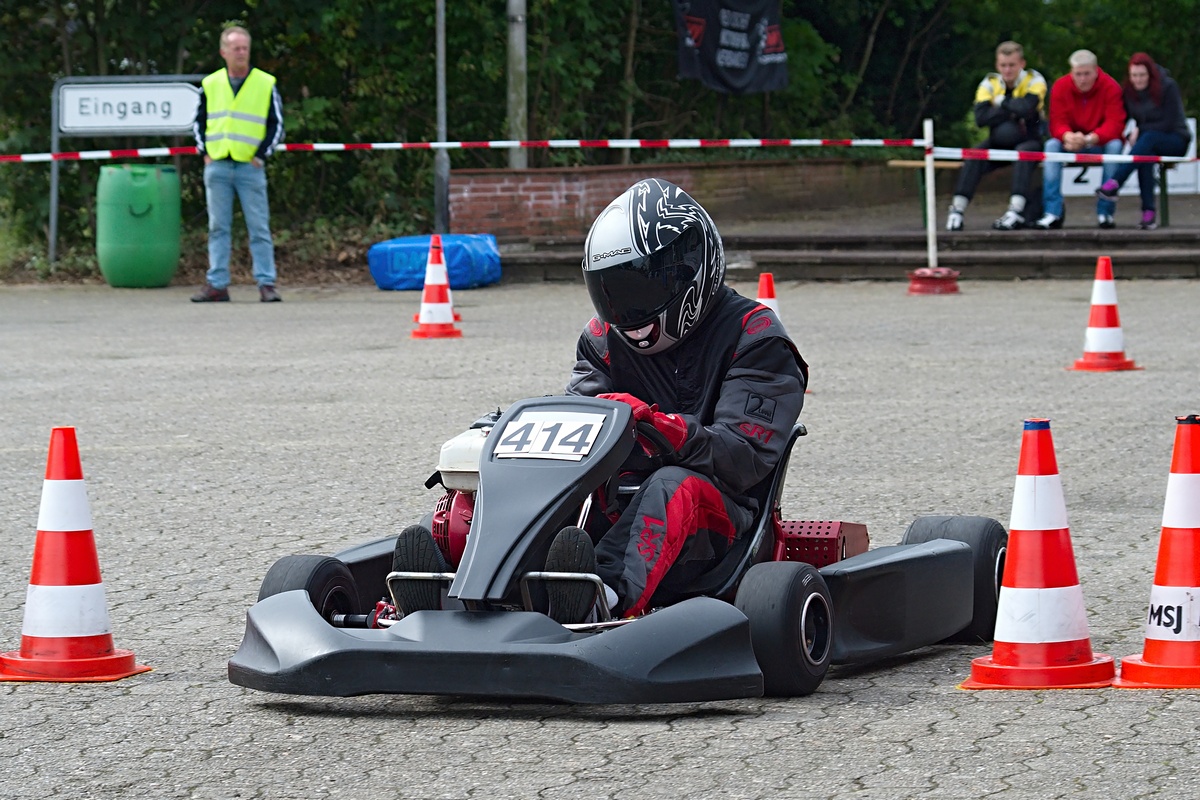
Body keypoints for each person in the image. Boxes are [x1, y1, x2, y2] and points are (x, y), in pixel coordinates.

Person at [191, 25, 285, 303]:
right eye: (236, 48)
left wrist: (261, 156)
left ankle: (266, 284)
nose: (241, 53)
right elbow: (198, 122)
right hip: (218, 164)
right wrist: (204, 153)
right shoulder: (211, 84)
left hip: (249, 166)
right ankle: (217, 284)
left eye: (245, 48)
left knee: (259, 228)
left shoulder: (265, 83)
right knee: (218, 227)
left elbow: (276, 124)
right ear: (224, 52)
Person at [945, 41, 1047, 232]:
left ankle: (1015, 211)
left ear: (1022, 64)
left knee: (1024, 153)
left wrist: (1001, 103)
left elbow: (1027, 109)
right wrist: (1013, 109)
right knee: (975, 153)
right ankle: (957, 209)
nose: (1007, 70)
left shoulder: (1034, 80)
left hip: (1029, 141)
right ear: (997, 66)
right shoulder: (989, 83)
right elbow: (981, 118)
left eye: (1012, 65)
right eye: (1003, 65)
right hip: (999, 143)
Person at [1095, 53, 1192, 230]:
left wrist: (1141, 129)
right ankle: (1148, 214)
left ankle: (1116, 182)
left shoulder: (1168, 86)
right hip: (1148, 144)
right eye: (1134, 75)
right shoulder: (1129, 93)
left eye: (1142, 75)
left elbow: (1170, 122)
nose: (1138, 80)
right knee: (1144, 154)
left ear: (1150, 74)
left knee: (1147, 139)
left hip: (1175, 139)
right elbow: (1120, 118)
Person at [1035, 50, 1126, 230]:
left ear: (1096, 71)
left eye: (1087, 74)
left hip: (1099, 142)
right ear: (1071, 72)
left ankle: (1105, 213)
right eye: (1078, 74)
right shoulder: (1060, 86)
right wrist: (1067, 136)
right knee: (1051, 146)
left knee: (1115, 146)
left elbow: (1115, 124)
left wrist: (1090, 138)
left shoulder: (1111, 87)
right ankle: (1052, 212)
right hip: (1070, 142)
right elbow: (1057, 122)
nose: (1082, 79)